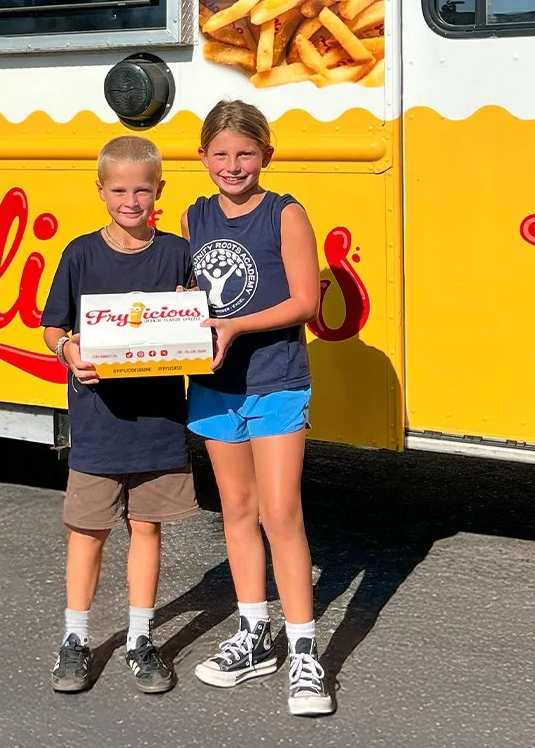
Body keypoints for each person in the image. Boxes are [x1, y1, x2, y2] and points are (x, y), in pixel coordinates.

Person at [182, 99, 334, 717]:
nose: (233, 165)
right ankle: (254, 636)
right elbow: (193, 292)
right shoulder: (194, 216)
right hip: (217, 386)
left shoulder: (285, 213)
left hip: (276, 380)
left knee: (280, 511)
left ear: (265, 156)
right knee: (236, 509)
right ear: (203, 157)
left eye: (245, 153)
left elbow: (304, 301)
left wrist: (234, 327)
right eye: (221, 153)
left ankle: (303, 650)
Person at [41, 134, 196, 695]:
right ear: (101, 190)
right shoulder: (80, 253)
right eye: (120, 190)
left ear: (160, 190)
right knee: (87, 530)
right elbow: (52, 325)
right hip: (98, 420)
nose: (132, 201)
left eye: (143, 190)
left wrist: (187, 315)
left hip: (158, 419)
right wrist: (68, 352)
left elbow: (195, 322)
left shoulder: (178, 253)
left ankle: (139, 637)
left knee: (146, 528)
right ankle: (75, 638)